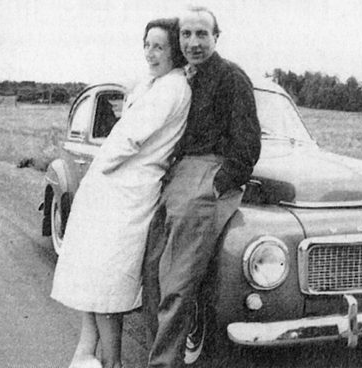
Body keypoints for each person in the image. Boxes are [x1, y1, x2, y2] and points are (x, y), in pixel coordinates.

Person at [50, 18, 191, 368]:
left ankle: (111, 362)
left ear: (175, 49)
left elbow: (130, 137)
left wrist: (103, 167)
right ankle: (88, 351)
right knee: (98, 276)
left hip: (130, 190)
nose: (151, 53)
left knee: (110, 281)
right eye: (147, 45)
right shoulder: (154, 84)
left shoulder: (173, 88)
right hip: (118, 189)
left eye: (159, 46)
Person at [142, 6, 261, 368]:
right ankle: (159, 352)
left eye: (201, 34)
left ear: (216, 37)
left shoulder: (231, 77)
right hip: (178, 177)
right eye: (186, 35)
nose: (193, 42)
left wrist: (216, 184)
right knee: (152, 272)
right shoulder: (183, 77)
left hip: (207, 178)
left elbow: (247, 146)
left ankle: (163, 363)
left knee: (177, 283)